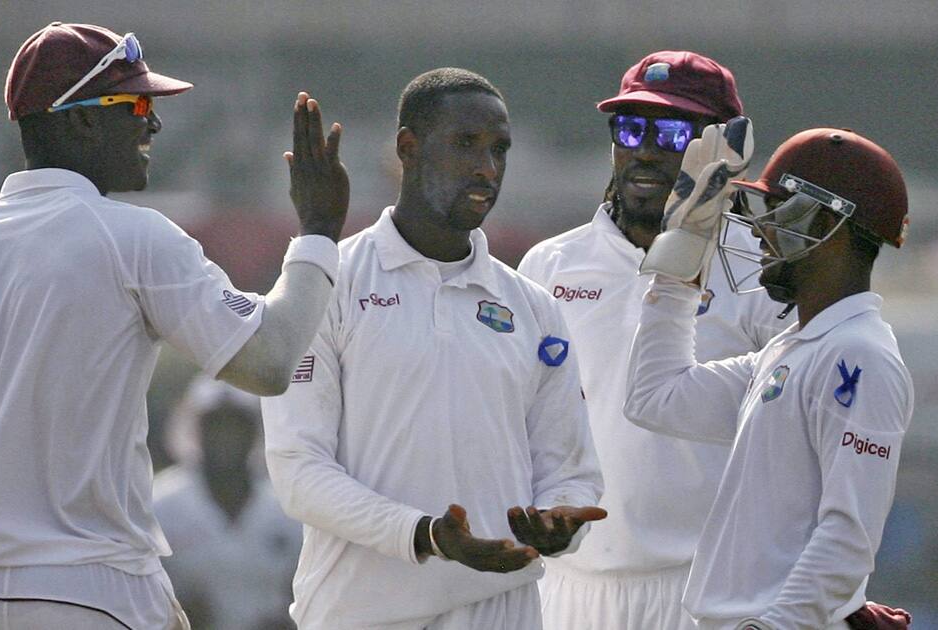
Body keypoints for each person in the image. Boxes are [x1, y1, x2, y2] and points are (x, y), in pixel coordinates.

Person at [0, 22, 347, 629]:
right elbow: (269, 360)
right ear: (76, 118)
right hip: (89, 588)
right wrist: (317, 234)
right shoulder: (134, 237)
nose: (152, 124)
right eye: (134, 104)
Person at [261, 67, 605, 630]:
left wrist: (562, 520)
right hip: (363, 613)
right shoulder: (330, 282)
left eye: (500, 150)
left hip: (502, 607)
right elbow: (298, 472)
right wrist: (423, 536)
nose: (487, 168)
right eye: (466, 143)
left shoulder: (534, 308)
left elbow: (570, 472)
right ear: (407, 148)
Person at [518, 50, 791, 629]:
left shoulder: (760, 269)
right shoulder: (552, 264)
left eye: (671, 131)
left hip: (705, 588)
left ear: (723, 148)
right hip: (569, 588)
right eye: (629, 127)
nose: (644, 149)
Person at [624, 124, 914, 629]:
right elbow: (656, 398)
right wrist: (679, 270)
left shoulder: (859, 356)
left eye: (776, 211)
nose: (758, 230)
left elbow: (848, 537)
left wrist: (777, 626)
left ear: (826, 221)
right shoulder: (791, 349)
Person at [154, 377, 301, 630]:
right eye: (215, 426)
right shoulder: (160, 504)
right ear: (194, 429)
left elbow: (305, 589)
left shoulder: (286, 507)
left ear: (255, 430)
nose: (225, 438)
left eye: (237, 426)